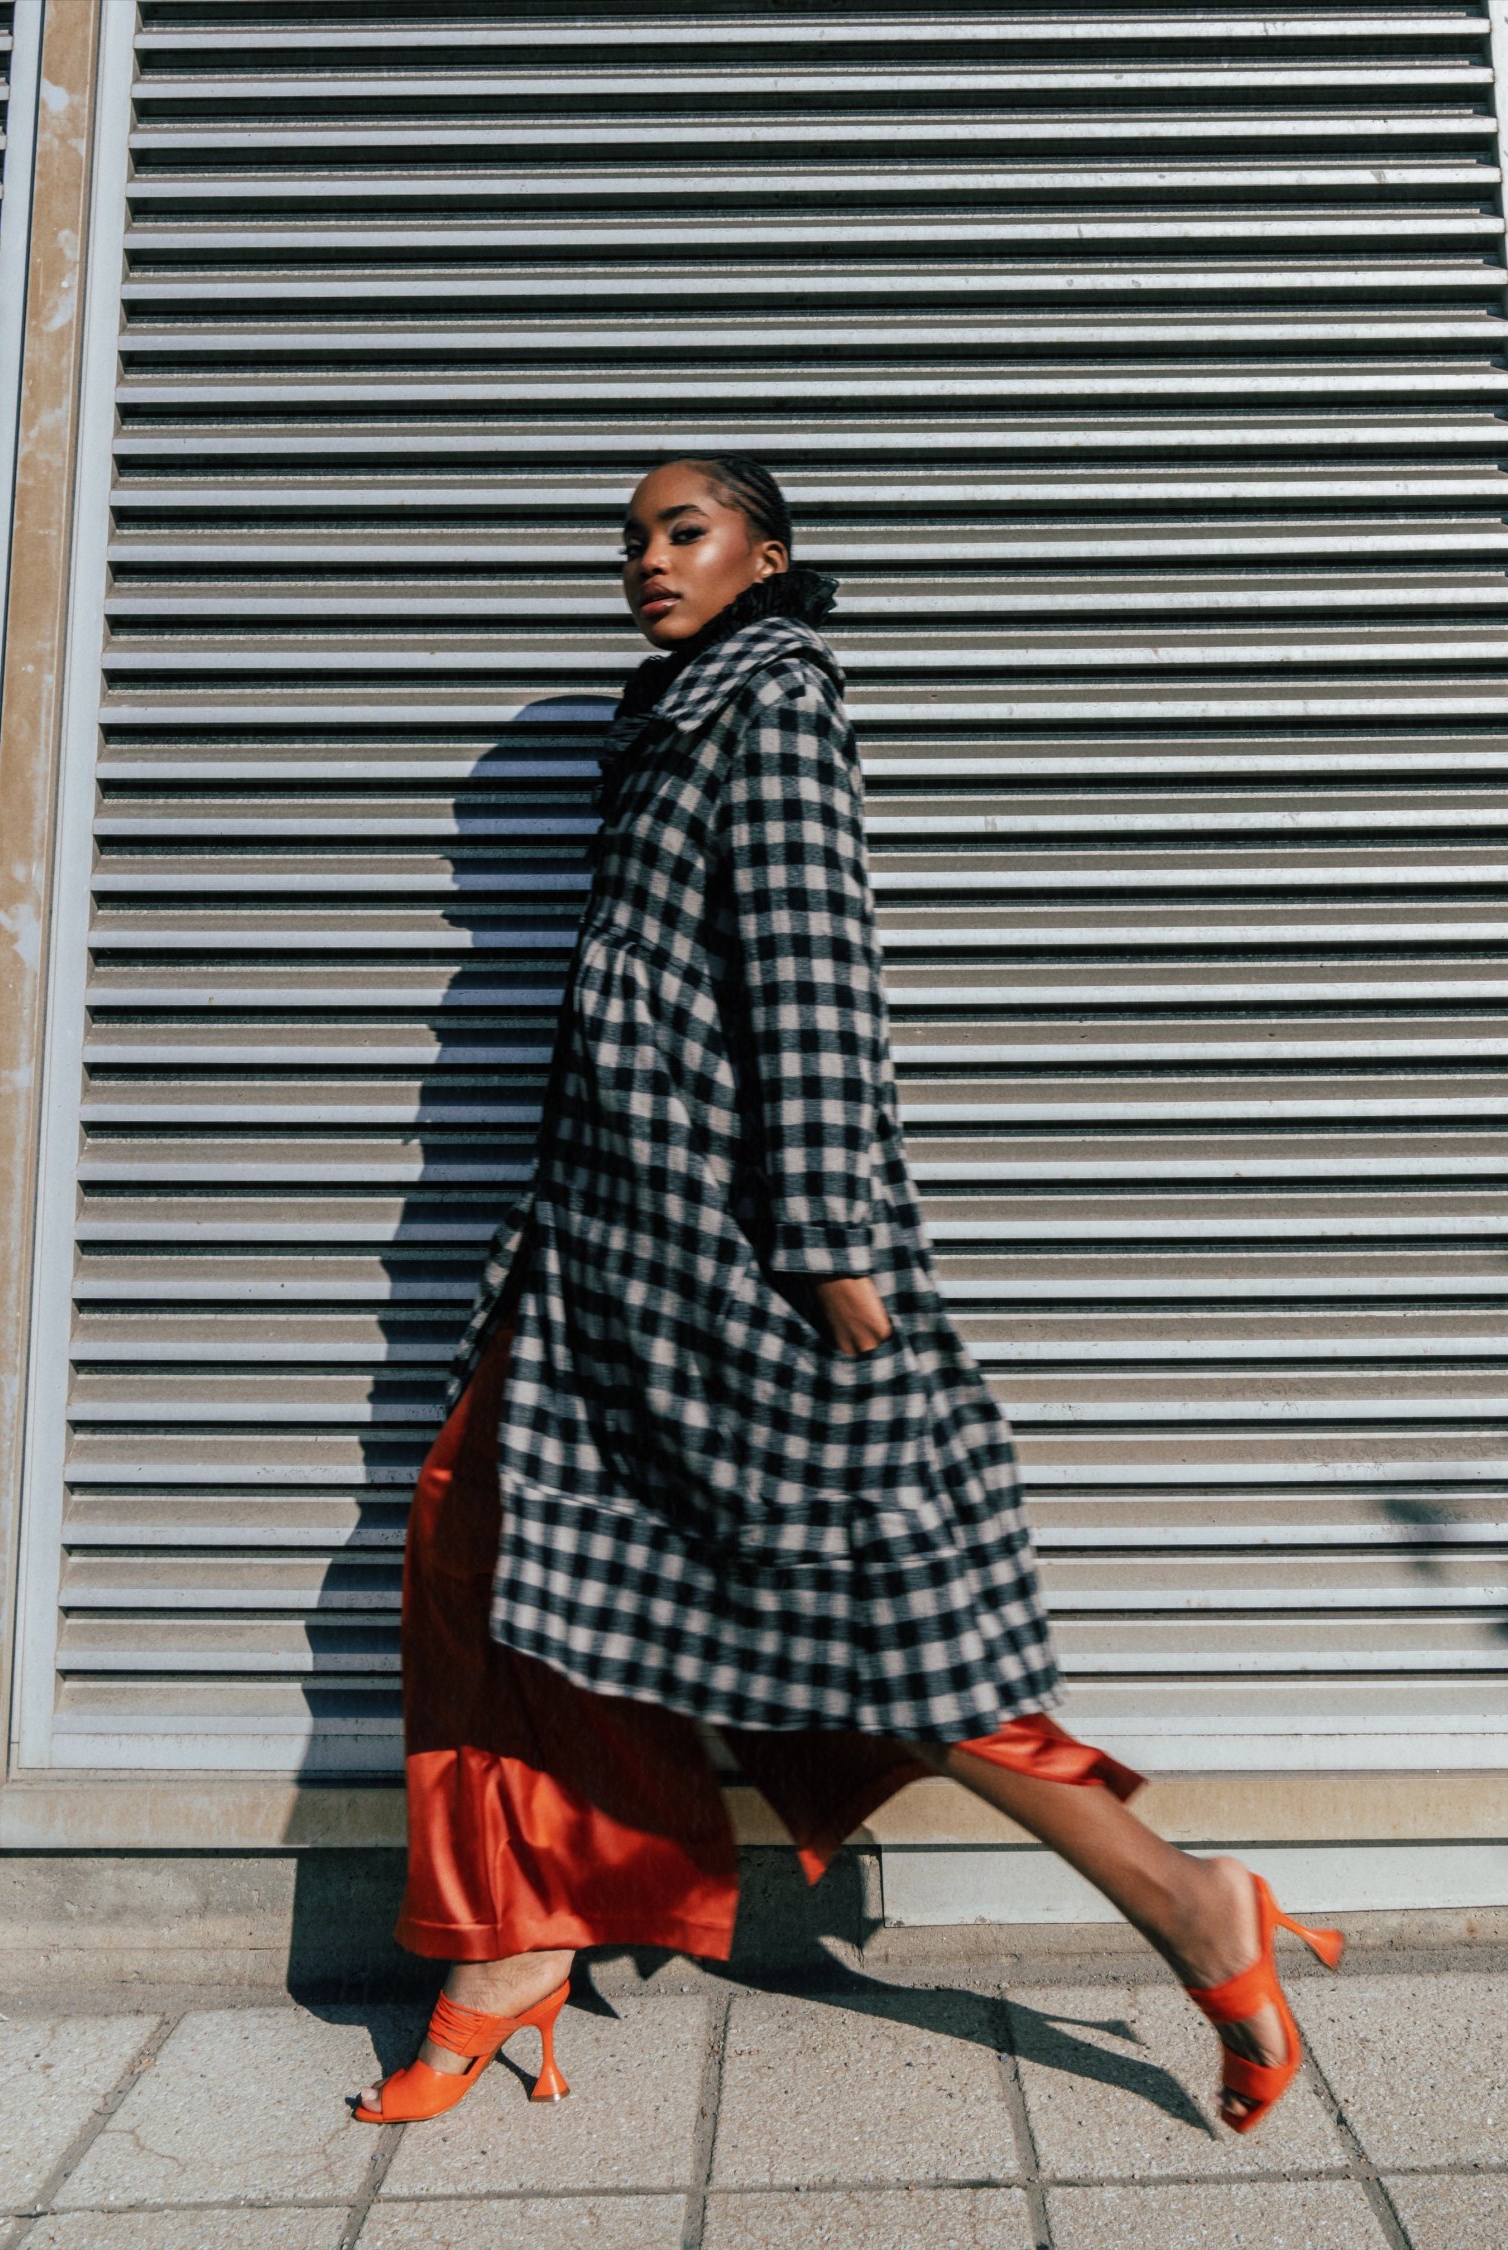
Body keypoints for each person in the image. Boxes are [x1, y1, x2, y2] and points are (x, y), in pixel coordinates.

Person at [354, 456, 1341, 2134]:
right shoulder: (670, 723)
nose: (648, 560)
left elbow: (816, 977)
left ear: (766, 556)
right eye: (631, 539)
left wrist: (824, 1236)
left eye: (685, 531)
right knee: (487, 1545)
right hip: (598, 1249)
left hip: (717, 1255)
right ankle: (516, 1938)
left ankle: (1190, 1901)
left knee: (865, 1622)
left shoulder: (769, 708)